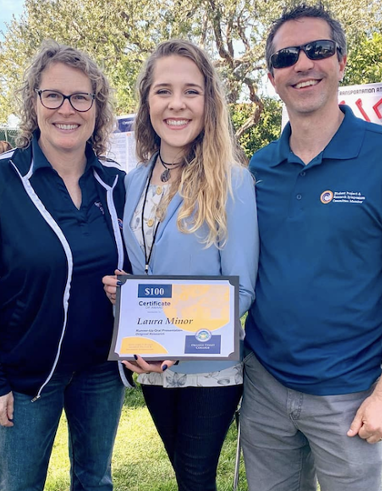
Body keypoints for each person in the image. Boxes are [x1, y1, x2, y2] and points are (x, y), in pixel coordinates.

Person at [241, 3, 382, 491]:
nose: (303, 64)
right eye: (287, 57)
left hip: (350, 394)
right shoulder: (257, 169)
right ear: (272, 77)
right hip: (264, 385)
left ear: (341, 61)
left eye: (318, 49)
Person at [0, 41, 132, 491]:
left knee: (95, 481)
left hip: (100, 372)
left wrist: (133, 289)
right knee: (20, 486)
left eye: (80, 97)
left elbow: (136, 267)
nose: (66, 109)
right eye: (52, 95)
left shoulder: (116, 185)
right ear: (34, 102)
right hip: (26, 375)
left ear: (97, 107)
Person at [103, 39, 258, 491]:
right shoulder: (133, 180)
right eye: (163, 90)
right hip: (150, 361)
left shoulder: (232, 180)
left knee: (195, 478)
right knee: (183, 475)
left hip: (208, 365)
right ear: (147, 100)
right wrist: (125, 291)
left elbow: (244, 288)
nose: (177, 104)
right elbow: (147, 269)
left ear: (209, 101)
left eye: (191, 91)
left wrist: (179, 343)